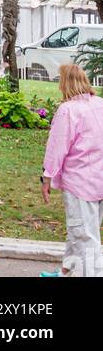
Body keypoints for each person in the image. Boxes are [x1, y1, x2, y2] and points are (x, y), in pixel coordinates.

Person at [42, 62, 103, 277]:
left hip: (80, 183)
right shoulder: (100, 104)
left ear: (64, 83)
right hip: (99, 181)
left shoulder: (68, 110)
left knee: (85, 237)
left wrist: (47, 176)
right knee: (80, 230)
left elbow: (57, 146)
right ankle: (65, 271)